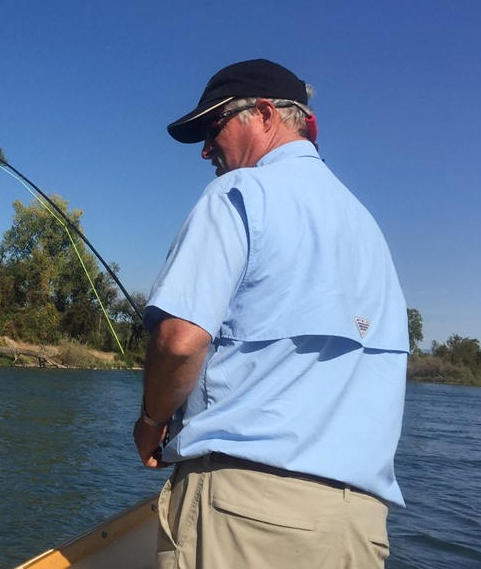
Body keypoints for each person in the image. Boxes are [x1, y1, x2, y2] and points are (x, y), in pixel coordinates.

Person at [133, 59, 409, 568]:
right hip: (360, 530)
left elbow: (180, 340)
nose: (205, 148)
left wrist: (151, 422)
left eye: (213, 127)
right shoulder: (367, 227)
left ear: (263, 114)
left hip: (245, 517)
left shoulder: (238, 194)